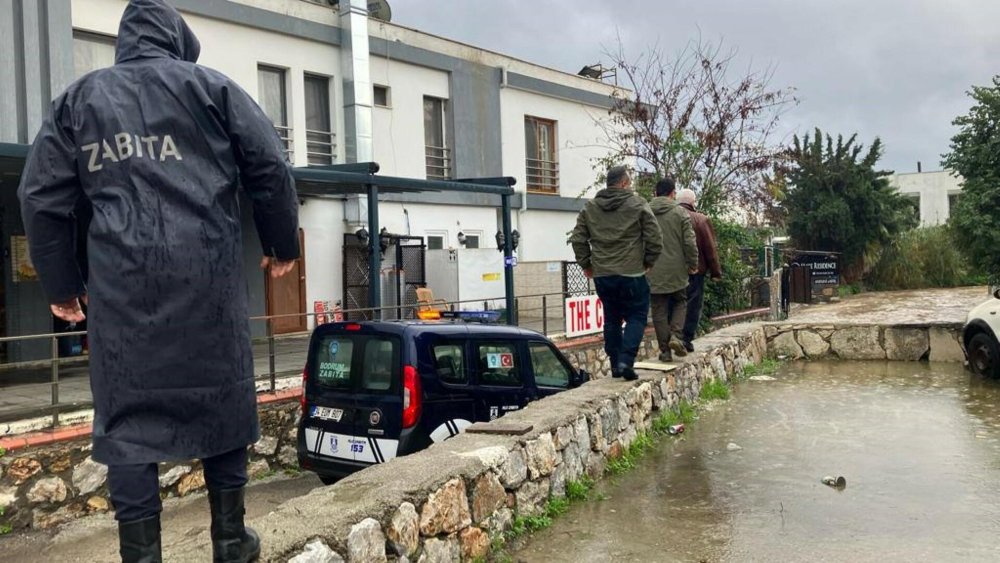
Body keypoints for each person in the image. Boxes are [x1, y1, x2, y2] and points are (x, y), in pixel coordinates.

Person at [18, 1, 300, 561]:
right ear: (177, 39)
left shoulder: (80, 100)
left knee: (126, 422)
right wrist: (280, 244)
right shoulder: (212, 89)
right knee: (223, 402)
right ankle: (230, 542)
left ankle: (141, 556)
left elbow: (40, 198)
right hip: (208, 285)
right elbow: (269, 164)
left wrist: (60, 285)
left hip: (124, 295)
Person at [569, 166, 663, 381]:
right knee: (636, 316)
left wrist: (586, 265)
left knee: (612, 318)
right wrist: (648, 261)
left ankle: (614, 365)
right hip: (632, 273)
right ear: (623, 183)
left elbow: (578, 239)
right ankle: (626, 360)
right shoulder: (638, 204)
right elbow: (655, 237)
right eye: (628, 182)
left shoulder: (590, 208)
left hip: (603, 274)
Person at [647, 178, 698, 362]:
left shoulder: (645, 212)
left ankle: (665, 351)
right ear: (672, 193)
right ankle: (676, 336)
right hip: (677, 269)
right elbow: (689, 243)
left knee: (659, 310)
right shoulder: (680, 213)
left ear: (655, 193)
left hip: (652, 269)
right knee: (680, 301)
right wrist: (693, 264)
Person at [677, 189, 722, 351]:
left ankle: (672, 337)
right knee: (692, 304)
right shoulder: (701, 220)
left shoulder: (670, 217)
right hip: (696, 271)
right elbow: (710, 248)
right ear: (693, 202)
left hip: (673, 270)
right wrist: (715, 272)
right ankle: (686, 339)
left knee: (674, 303)